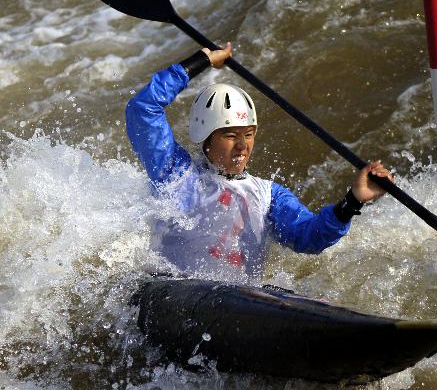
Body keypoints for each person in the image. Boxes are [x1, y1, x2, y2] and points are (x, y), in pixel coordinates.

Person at [126, 42, 395, 279]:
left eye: (249, 134)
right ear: (206, 138)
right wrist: (202, 60)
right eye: (231, 135)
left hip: (238, 301)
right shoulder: (174, 173)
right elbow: (143, 109)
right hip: (171, 289)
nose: (243, 146)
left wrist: (352, 202)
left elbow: (308, 237)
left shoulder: (268, 196)